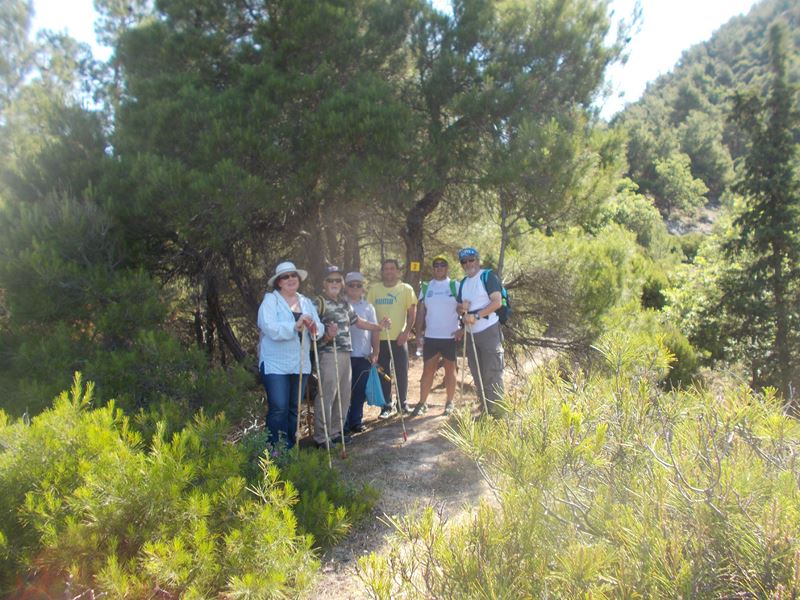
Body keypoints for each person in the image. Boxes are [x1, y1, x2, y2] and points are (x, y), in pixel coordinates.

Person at [314, 265, 388, 448]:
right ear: (324, 283)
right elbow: (312, 328)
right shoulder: (318, 302)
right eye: (330, 280)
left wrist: (378, 327)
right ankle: (321, 437)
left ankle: (335, 431)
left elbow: (359, 323)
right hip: (328, 354)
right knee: (327, 394)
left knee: (343, 394)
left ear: (341, 284)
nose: (334, 283)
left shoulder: (343, 304)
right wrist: (326, 335)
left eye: (337, 280)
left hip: (345, 353)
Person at [257, 261, 324, 449]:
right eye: (285, 277)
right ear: (278, 282)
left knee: (294, 407)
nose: (290, 279)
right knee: (278, 407)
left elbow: (319, 327)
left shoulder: (306, 302)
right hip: (275, 363)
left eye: (293, 275)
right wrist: (294, 326)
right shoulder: (271, 300)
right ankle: (274, 449)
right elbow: (268, 327)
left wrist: (313, 327)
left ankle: (289, 446)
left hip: (300, 363)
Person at [456, 247, 505, 416]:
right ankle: (486, 410)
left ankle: (498, 413)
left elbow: (497, 302)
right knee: (477, 372)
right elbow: (458, 307)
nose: (468, 264)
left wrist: (475, 315)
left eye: (471, 260)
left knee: (492, 371)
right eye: (464, 261)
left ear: (477, 260)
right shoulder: (463, 282)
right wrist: (461, 309)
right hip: (471, 334)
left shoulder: (487, 277)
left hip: (488, 330)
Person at [367, 258, 417, 417]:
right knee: (384, 373)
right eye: (386, 269)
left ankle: (402, 403)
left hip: (399, 338)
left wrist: (406, 332)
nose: (389, 271)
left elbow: (412, 313)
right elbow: (368, 314)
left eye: (392, 268)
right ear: (382, 272)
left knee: (402, 371)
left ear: (397, 271)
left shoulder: (406, 289)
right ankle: (386, 405)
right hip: (379, 339)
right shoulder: (374, 290)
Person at [413, 255, 460, 416]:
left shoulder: (455, 286)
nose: (439, 267)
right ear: (433, 268)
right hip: (431, 336)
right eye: (436, 265)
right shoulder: (426, 287)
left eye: (442, 265)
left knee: (450, 370)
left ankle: (449, 402)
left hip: (450, 336)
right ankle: (422, 403)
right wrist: (418, 334)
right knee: (428, 370)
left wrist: (462, 328)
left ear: (447, 268)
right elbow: (420, 312)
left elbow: (463, 308)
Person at [343, 271, 380, 433]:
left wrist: (376, 352)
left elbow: (375, 330)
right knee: (344, 391)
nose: (355, 288)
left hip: (363, 355)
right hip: (344, 355)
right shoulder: (340, 304)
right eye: (352, 285)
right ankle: (342, 423)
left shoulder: (368, 307)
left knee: (359, 390)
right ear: (346, 287)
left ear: (362, 287)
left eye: (358, 285)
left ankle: (356, 421)